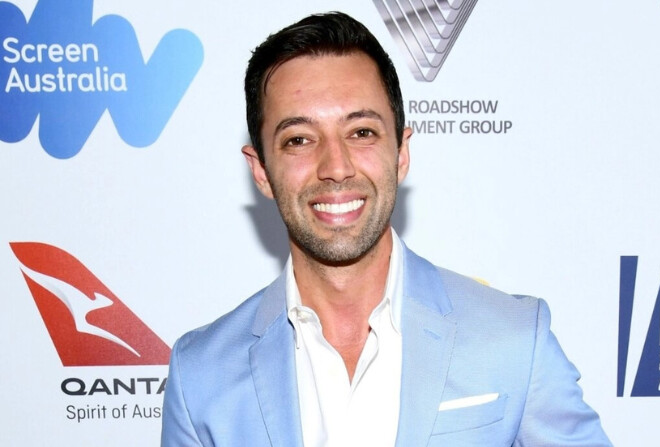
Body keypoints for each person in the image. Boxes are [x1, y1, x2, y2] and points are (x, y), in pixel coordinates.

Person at [161, 11, 611, 447]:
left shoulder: (514, 340)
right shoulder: (201, 375)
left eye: (361, 132)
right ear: (261, 171)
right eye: (299, 139)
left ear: (401, 153)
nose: (335, 167)